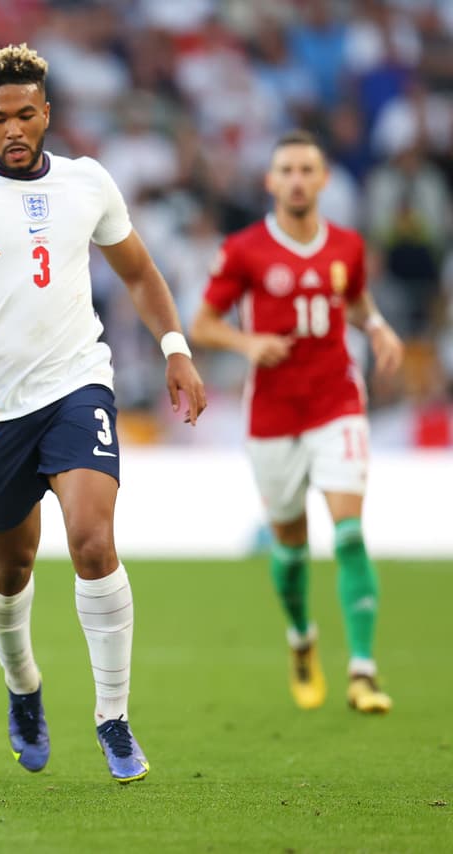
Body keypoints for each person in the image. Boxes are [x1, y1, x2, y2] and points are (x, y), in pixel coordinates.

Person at [0, 44, 207, 784]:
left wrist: (175, 348)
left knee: (94, 544)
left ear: (48, 113)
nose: (13, 128)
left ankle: (113, 717)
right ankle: (24, 689)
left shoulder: (87, 183)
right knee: (11, 567)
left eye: (26, 114)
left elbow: (139, 271)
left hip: (78, 386)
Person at [190, 129, 403, 714]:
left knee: (351, 533)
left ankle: (363, 670)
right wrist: (247, 341)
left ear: (324, 178)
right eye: (287, 170)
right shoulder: (245, 250)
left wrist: (378, 325)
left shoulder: (348, 247)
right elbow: (202, 324)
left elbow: (355, 301)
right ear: (271, 181)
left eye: (308, 169)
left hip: (337, 401)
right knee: (289, 544)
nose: (298, 180)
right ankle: (301, 637)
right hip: (274, 413)